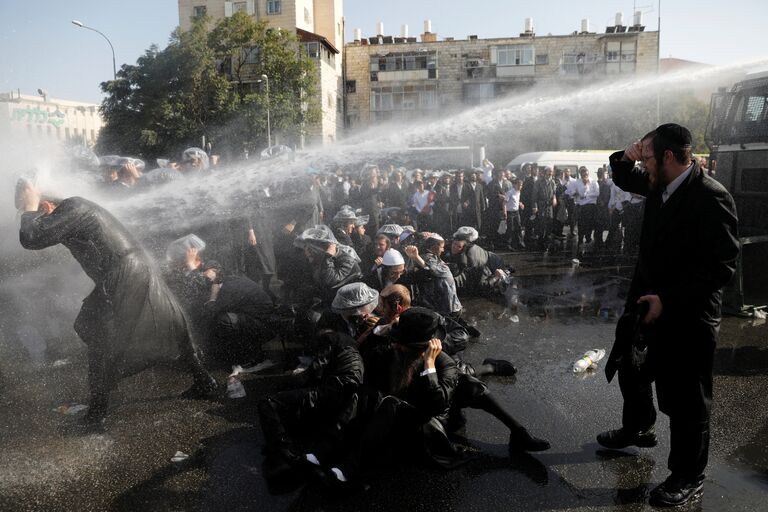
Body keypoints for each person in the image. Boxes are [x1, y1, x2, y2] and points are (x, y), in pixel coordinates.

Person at [598, 124, 739, 507]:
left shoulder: (711, 197)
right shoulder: (660, 182)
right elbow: (626, 177)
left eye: (648, 157)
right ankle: (638, 427)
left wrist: (670, 300)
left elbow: (722, 265)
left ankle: (688, 476)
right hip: (646, 300)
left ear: (670, 157)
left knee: (686, 399)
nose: (643, 165)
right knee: (630, 364)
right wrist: (627, 156)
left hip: (687, 313)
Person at [16, 186, 218, 426]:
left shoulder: (73, 206)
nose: (42, 219)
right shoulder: (75, 208)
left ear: (47, 206)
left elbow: (32, 238)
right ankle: (204, 382)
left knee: (97, 331)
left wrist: (29, 206)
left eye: (41, 214)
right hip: (132, 271)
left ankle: (97, 413)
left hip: (125, 275)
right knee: (170, 322)